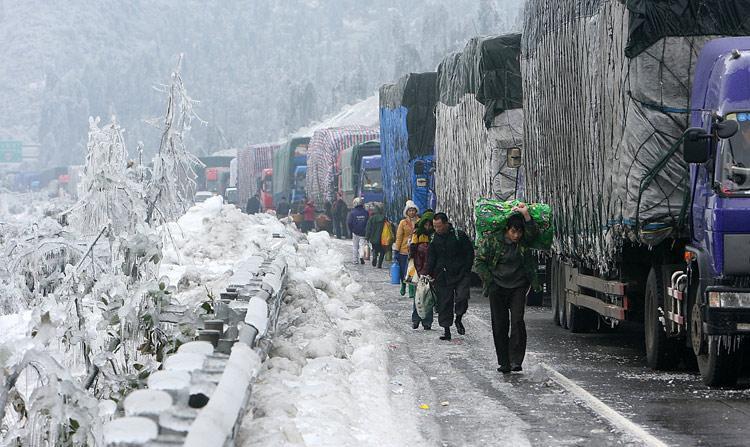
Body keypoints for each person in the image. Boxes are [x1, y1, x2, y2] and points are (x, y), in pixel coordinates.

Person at [473, 203, 539, 374]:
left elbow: (534, 233)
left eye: (519, 232)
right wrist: (490, 281)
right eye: (513, 232)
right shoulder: (493, 242)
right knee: (500, 324)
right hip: (497, 287)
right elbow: (479, 262)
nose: (516, 235)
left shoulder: (524, 242)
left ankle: (516, 360)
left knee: (517, 320)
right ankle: (504, 361)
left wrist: (526, 215)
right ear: (507, 230)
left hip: (518, 286)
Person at [426, 212, 474, 341]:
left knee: (462, 297)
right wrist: (427, 273)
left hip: (460, 273)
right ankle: (446, 330)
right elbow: (431, 258)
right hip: (442, 275)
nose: (437, 229)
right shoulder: (433, 238)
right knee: (444, 303)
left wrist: (466, 269)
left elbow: (469, 253)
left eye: (439, 226)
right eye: (435, 227)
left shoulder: (459, 236)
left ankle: (459, 318)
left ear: (446, 223)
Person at [408, 211, 435, 330]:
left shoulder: (434, 236)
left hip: (430, 270)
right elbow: (412, 253)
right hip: (418, 269)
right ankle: (416, 319)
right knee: (418, 295)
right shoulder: (417, 234)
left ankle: (427, 321)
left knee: (428, 296)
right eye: (426, 224)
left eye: (430, 225)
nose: (428, 227)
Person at [394, 200, 419, 295]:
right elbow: (399, 237)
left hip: (415, 250)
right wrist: (396, 250)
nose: (412, 212)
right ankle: (403, 285)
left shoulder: (419, 221)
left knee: (412, 269)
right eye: (410, 210)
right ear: (406, 212)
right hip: (403, 250)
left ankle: (412, 289)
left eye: (413, 210)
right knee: (403, 270)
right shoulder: (403, 223)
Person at [347, 198, 369, 264]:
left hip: (355, 232)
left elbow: (349, 222)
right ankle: (361, 256)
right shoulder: (365, 212)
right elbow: (368, 222)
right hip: (363, 232)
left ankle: (355, 260)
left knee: (355, 246)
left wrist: (352, 230)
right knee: (362, 245)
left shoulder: (352, 212)